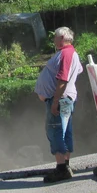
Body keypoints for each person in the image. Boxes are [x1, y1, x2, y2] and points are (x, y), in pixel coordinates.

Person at [35, 26, 84, 183]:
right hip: (64, 98)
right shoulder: (69, 53)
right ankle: (65, 166)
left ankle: (62, 168)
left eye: (55, 37)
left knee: (56, 131)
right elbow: (78, 71)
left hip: (60, 99)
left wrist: (55, 101)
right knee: (64, 131)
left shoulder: (67, 53)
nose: (54, 40)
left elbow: (63, 78)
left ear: (62, 37)